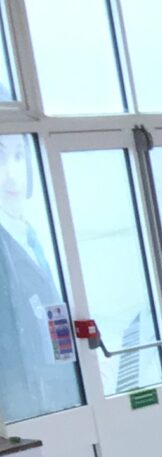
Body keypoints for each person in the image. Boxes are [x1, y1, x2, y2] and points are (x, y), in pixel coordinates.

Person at [0, 135, 81, 426]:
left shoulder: (32, 236)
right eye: (0, 156)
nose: (11, 174)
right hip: (28, 407)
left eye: (19, 156)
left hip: (61, 395)